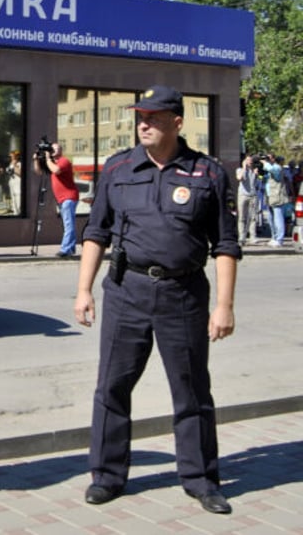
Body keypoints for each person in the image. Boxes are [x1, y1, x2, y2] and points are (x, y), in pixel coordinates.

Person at [72, 85, 240, 515]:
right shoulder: (118, 168)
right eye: (139, 117)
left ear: (177, 122)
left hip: (183, 294)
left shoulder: (207, 173)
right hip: (127, 291)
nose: (143, 124)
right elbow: (96, 232)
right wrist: (83, 289)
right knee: (111, 386)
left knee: (191, 390)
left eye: (153, 117)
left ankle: (201, 479)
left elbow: (225, 243)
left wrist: (224, 305)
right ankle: (107, 476)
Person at [33, 141, 79, 257]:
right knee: (67, 224)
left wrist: (48, 159)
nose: (54, 150)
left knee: (68, 224)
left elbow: (56, 170)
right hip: (61, 199)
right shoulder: (52, 162)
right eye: (52, 148)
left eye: (56, 148)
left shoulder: (64, 161)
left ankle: (65, 249)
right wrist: (36, 160)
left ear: (61, 151)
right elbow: (39, 172)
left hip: (69, 197)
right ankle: (71, 248)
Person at [263, 153, 288, 247]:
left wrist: (265, 163)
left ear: (273, 159)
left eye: (269, 158)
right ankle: (274, 237)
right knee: (270, 218)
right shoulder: (268, 168)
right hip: (269, 196)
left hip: (277, 196)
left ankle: (279, 239)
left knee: (278, 218)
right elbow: (265, 178)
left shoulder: (277, 167)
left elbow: (272, 170)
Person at [235, 154, 259, 245]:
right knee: (242, 217)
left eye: (251, 160)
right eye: (248, 160)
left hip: (253, 195)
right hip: (243, 195)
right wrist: (244, 168)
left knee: (253, 217)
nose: (250, 162)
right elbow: (239, 178)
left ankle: (253, 236)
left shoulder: (254, 170)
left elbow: (257, 182)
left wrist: (256, 174)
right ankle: (242, 237)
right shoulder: (239, 170)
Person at [8, 150, 22, 215]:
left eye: (12, 156)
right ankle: (15, 214)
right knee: (14, 202)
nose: (11, 157)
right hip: (12, 185)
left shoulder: (20, 163)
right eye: (10, 156)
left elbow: (20, 173)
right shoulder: (10, 164)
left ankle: (19, 214)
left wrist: (14, 165)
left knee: (18, 201)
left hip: (18, 185)